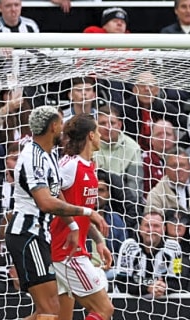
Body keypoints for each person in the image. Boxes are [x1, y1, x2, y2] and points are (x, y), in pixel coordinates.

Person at [4, 105, 108, 320]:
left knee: (51, 312)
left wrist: (73, 225)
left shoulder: (49, 155)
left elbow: (56, 192)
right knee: (52, 310)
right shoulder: (34, 157)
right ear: (53, 126)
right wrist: (87, 213)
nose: (64, 128)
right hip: (28, 234)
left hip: (43, 236)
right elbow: (45, 202)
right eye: (61, 123)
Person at [51, 113, 114, 320]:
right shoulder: (70, 164)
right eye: (98, 131)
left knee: (60, 317)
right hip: (66, 251)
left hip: (74, 249)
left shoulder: (90, 166)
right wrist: (73, 226)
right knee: (105, 310)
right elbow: (50, 191)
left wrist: (98, 241)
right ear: (90, 135)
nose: (101, 135)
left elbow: (82, 212)